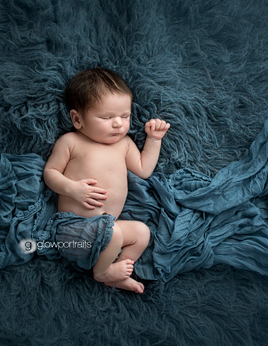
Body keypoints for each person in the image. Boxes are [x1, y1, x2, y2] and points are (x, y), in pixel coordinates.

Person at [43, 68, 170, 294]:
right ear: (77, 119)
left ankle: (117, 271)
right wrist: (72, 189)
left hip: (107, 237)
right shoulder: (71, 141)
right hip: (72, 233)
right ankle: (102, 273)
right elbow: (51, 173)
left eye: (124, 116)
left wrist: (153, 139)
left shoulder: (124, 144)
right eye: (106, 117)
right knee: (115, 232)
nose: (118, 124)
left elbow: (143, 170)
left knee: (142, 232)